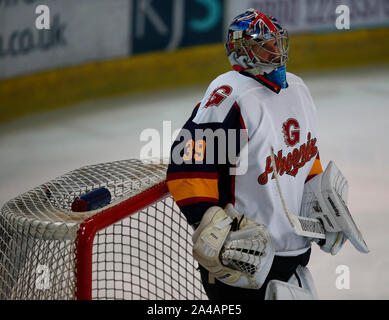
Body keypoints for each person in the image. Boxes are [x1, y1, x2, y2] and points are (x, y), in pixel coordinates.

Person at [166, 9, 368, 300]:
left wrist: (319, 198)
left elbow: (306, 155)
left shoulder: (297, 88)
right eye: (265, 44)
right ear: (243, 51)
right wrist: (207, 219)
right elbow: (191, 163)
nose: (276, 50)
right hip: (242, 260)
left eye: (277, 42)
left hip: (296, 254)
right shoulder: (230, 95)